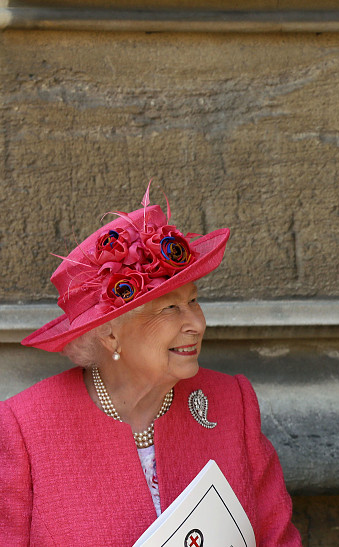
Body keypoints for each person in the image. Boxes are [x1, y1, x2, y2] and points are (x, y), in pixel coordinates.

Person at [0, 185, 302, 546]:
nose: (197, 324)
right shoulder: (25, 429)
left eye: (193, 301)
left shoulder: (232, 402)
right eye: (170, 308)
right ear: (110, 335)